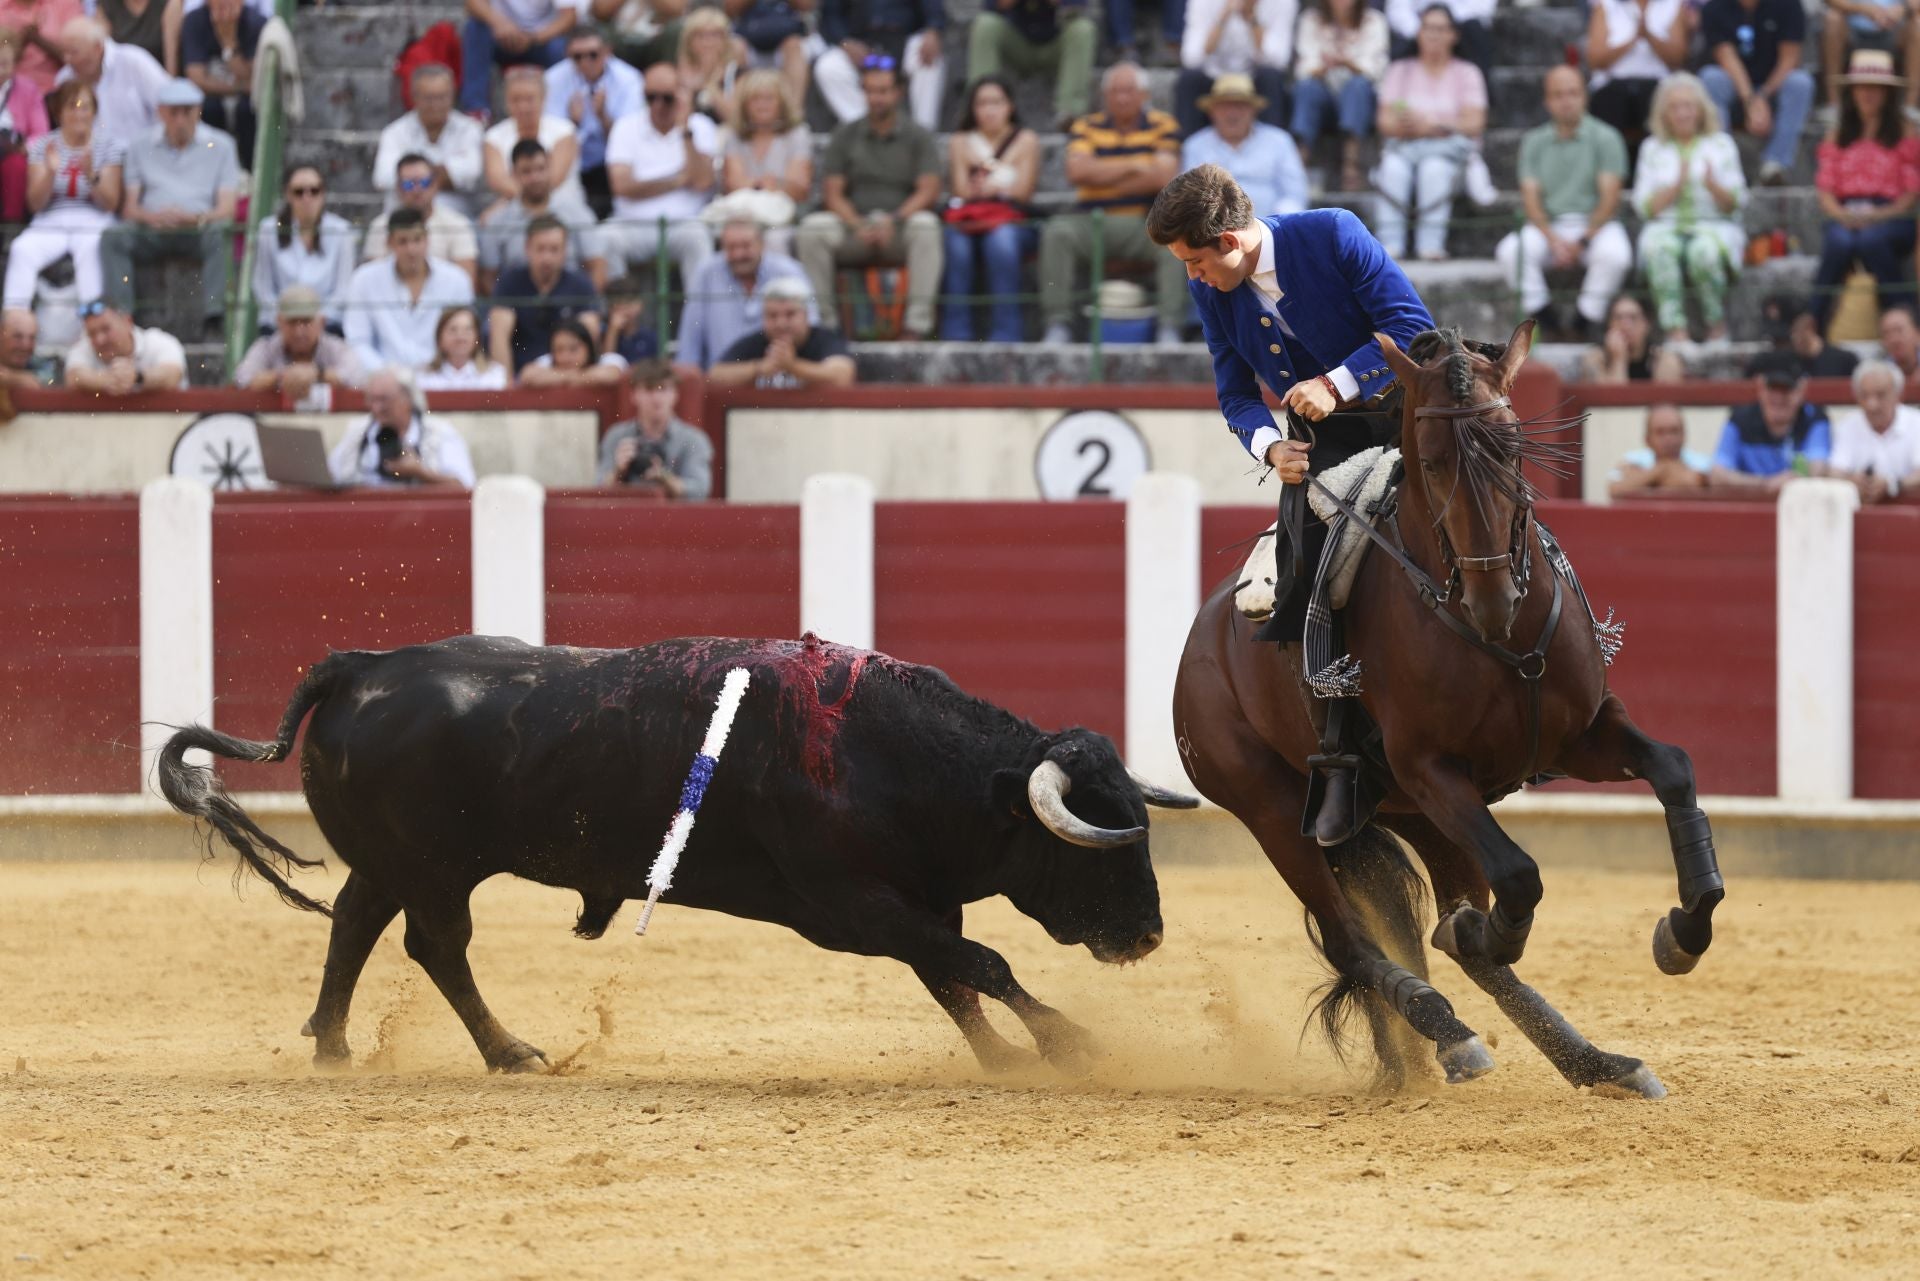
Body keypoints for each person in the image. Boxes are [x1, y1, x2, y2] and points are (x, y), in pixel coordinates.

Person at [1147, 163, 1432, 844]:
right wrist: (1272, 448)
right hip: (1319, 452)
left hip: (1412, 427)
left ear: (1230, 240)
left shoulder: (1333, 233)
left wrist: (1336, 383)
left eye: (1194, 261)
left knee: (1492, 511)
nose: (1192, 277)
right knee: (1302, 580)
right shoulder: (1216, 290)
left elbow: (1412, 328)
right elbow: (1236, 395)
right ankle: (1339, 760)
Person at [796, 57, 943, 340]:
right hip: (855, 228)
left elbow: (929, 190)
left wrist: (894, 219)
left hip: (900, 228)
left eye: (884, 91)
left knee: (926, 226)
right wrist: (857, 224)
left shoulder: (919, 136)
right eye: (870, 91)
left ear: (898, 93)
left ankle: (917, 326)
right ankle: (823, 326)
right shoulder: (845, 135)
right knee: (813, 230)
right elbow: (832, 193)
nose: (876, 98)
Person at [1037, 62, 1183, 344]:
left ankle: (1170, 328)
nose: (1122, 97)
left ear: (1144, 95)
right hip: (1093, 221)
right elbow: (1077, 172)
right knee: (1056, 233)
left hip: (1144, 222)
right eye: (1115, 91)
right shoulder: (1086, 125)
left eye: (1129, 91)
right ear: (1105, 96)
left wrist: (1103, 173)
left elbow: (1164, 176)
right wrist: (1139, 165)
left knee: (1175, 242)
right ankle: (1057, 325)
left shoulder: (1163, 124)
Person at [1494, 67, 1633, 342]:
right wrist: (1553, 240)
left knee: (1617, 256)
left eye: (1572, 93)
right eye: (1558, 95)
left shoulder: (1607, 137)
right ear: (1547, 101)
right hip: (1549, 225)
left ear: (1584, 97)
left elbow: (1610, 198)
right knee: (1510, 251)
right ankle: (1546, 320)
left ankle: (1583, 322)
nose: (1566, 100)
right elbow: (1531, 200)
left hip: (1596, 225)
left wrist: (1582, 240)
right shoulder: (1534, 142)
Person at [101, 78, 239, 339]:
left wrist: (195, 218)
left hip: (197, 229)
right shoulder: (139, 146)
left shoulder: (222, 145)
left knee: (220, 234)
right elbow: (129, 208)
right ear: (160, 112)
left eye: (187, 111)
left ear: (198, 111)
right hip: (154, 228)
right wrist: (151, 217)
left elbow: (227, 209)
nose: (180, 119)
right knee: (113, 237)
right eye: (173, 112)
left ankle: (215, 317)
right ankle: (122, 315)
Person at [1632, 72, 1747, 344]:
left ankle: (1716, 325)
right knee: (1660, 250)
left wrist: (1713, 185)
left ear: (1701, 110)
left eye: (1689, 106)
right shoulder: (1652, 148)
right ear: (1664, 113)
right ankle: (1675, 331)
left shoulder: (1721, 144)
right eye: (1675, 107)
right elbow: (1644, 207)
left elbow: (1737, 202)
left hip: (1713, 223)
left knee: (1702, 252)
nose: (1683, 113)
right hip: (1665, 225)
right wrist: (1676, 185)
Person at [1809, 50, 1919, 329]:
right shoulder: (1837, 133)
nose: (1867, 94)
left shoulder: (1905, 132)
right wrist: (1843, 215)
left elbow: (1909, 195)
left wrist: (1877, 216)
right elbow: (1825, 191)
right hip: (1845, 212)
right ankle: (1814, 322)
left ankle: (1905, 317)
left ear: (1886, 93)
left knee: (1871, 240)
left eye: (1875, 88)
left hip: (1890, 215)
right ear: (1852, 91)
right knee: (1840, 241)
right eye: (1862, 87)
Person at [1372, 4, 1487, 263]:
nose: (1433, 35)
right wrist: (1415, 128)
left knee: (1433, 169)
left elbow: (1476, 122)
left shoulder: (1468, 72)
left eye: (1440, 29)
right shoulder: (1399, 70)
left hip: (1448, 153)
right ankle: (1389, 247)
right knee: (1392, 168)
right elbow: (1384, 120)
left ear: (1454, 35)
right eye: (1427, 28)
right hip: (1404, 147)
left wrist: (1432, 125)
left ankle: (1430, 246)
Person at [3, 79, 120, 323]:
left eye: (85, 107)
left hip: (94, 217)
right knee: (22, 249)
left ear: (94, 111)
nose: (79, 114)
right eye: (72, 107)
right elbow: (35, 203)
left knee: (91, 248)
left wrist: (91, 176)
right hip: (52, 216)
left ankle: (94, 322)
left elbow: (110, 202)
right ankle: (14, 323)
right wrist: (49, 172)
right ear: (59, 112)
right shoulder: (44, 146)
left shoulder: (108, 145)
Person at [940, 75, 1038, 342]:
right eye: (982, 103)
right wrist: (1002, 177)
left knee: (1001, 243)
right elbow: (961, 191)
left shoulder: (1026, 139)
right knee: (956, 246)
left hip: (1011, 222)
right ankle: (955, 334)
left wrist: (988, 177)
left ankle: (1007, 334)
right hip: (970, 220)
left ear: (1010, 106)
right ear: (973, 109)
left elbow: (1024, 192)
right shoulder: (959, 141)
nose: (990, 109)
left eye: (997, 102)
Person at [604, 60, 721, 282]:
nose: (658, 105)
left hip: (685, 225)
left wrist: (685, 129)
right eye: (651, 97)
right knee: (604, 239)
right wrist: (677, 181)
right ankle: (619, 314)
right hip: (631, 225)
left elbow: (704, 180)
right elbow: (621, 186)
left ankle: (697, 317)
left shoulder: (701, 126)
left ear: (680, 95)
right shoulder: (625, 126)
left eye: (667, 98)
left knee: (697, 237)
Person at [343, 207, 477, 372]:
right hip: (382, 379)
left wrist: (439, 372)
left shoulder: (456, 280)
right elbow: (357, 341)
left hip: (442, 377)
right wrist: (388, 374)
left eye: (417, 240)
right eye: (403, 241)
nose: (411, 249)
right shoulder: (364, 280)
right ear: (389, 243)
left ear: (427, 240)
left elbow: (466, 338)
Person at [1699, 0, 1815, 185]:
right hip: (1737, 88)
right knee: (1710, 78)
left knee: (1800, 83)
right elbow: (1726, 57)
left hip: (1774, 88)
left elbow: (1790, 59)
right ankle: (1722, 160)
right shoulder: (1715, 7)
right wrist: (1750, 100)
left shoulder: (1789, 4)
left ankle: (1776, 164)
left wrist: (1763, 95)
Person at [678, 216, 811, 367]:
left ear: (761, 244)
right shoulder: (706, 273)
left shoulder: (789, 270)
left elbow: (810, 326)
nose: (738, 255)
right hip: (722, 381)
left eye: (746, 246)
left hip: (781, 377)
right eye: (731, 248)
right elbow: (691, 335)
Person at [478, 139, 606, 293]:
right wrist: (504, 310)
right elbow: (489, 277)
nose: (535, 178)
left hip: (570, 305)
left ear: (550, 168)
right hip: (518, 306)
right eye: (527, 171)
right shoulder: (498, 221)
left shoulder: (577, 213)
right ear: (513, 175)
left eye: (541, 169)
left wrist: (586, 308)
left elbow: (597, 266)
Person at [543, 26, 643, 218]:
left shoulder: (629, 80)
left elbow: (631, 139)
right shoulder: (553, 79)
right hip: (571, 161)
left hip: (611, 161)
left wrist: (603, 117)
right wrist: (572, 124)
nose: (585, 62)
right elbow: (550, 137)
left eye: (592, 54)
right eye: (577, 57)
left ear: (607, 52)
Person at [1289, 0, 1387, 192]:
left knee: (1357, 86)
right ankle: (1299, 163)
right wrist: (1325, 66)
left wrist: (1347, 63)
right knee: (1307, 88)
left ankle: (1351, 166)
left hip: (1360, 101)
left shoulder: (1374, 20)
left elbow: (1375, 70)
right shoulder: (1310, 19)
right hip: (1323, 98)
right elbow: (1303, 70)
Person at [711, 67, 811, 254]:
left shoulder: (797, 135)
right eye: (755, 99)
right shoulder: (735, 136)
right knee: (729, 236)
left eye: (768, 99)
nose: (762, 105)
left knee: (774, 239)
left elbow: (799, 188)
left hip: (782, 218)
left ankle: (777, 284)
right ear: (745, 105)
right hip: (741, 216)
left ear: (781, 103)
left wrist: (754, 184)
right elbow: (733, 184)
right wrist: (769, 183)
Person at [1585, 0, 1692, 172]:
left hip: (1657, 85)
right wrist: (1633, 39)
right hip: (1613, 85)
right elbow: (1595, 59)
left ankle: (1659, 173)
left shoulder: (1673, 5)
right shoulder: (1606, 5)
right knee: (1610, 100)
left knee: (1657, 100)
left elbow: (1678, 58)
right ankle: (1610, 173)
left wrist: (1648, 35)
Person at [1183, 73, 1309, 218]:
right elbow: (1189, 198)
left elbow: (1294, 194)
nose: (1232, 113)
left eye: (1240, 105)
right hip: (1213, 231)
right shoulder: (1195, 145)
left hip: (1270, 229)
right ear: (1212, 111)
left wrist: (1276, 228)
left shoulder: (1279, 141)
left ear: (1253, 110)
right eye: (1224, 106)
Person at [328, 366, 476, 490]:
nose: (376, 408)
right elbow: (328, 477)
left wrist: (421, 473)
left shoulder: (439, 432)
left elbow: (465, 487)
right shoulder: (357, 431)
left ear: (408, 399)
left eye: (384, 400)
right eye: (371, 400)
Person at [489, 213, 602, 371]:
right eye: (540, 249)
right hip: (522, 377)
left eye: (554, 249)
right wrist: (507, 388)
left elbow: (589, 339)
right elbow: (499, 337)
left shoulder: (580, 284)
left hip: (567, 375)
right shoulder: (510, 282)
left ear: (565, 251)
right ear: (527, 248)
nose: (547, 257)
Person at [814, 0, 946, 133]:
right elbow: (830, 15)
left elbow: (933, 7)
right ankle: (866, 134)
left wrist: (933, 31)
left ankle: (923, 136)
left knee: (929, 59)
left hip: (904, 38)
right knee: (828, 67)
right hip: (860, 44)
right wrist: (845, 43)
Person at [251, 165, 356, 333]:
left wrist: (314, 320)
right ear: (288, 194)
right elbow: (263, 287)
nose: (307, 198)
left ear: (323, 194)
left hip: (326, 325)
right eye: (299, 192)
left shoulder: (342, 230)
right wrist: (289, 319)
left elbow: (343, 290)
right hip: (279, 326)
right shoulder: (268, 229)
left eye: (314, 191)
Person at [1708, 352, 1832, 491]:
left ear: (1800, 390)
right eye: (1772, 388)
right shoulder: (1739, 419)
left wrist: (1793, 481)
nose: (1778, 397)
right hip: (1751, 508)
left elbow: (1819, 471)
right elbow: (1717, 476)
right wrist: (1765, 484)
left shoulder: (1814, 419)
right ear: (1761, 388)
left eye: (1786, 389)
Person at [373, 64, 485, 218]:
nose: (436, 105)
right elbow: (383, 178)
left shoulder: (470, 129)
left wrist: (411, 180)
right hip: (406, 221)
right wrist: (444, 177)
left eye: (442, 97)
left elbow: (472, 174)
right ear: (414, 97)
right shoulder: (394, 132)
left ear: (453, 95)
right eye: (429, 98)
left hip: (456, 224)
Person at [965, 0, 1098, 128]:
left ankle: (1070, 113)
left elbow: (1076, 8)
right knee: (985, 24)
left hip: (1055, 45)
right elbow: (992, 5)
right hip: (1017, 44)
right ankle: (981, 105)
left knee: (1083, 29)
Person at [709, 274, 857, 387]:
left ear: (806, 315)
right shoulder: (757, 340)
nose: (781, 323)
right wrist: (759, 368)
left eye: (790, 314)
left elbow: (843, 376)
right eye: (772, 316)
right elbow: (714, 376)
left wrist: (792, 366)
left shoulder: (824, 339)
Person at [597, 356, 713, 498]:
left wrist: (664, 477)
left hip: (676, 518)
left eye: (663, 389)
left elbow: (700, 491)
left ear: (675, 394)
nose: (656, 398)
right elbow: (598, 490)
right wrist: (618, 472)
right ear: (633, 395)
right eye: (648, 389)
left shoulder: (694, 439)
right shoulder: (616, 436)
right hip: (627, 516)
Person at [1174, 0, 1292, 137]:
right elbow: (1191, 58)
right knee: (1189, 79)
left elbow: (1278, 60)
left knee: (1271, 77)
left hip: (1255, 77)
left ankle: (1273, 150)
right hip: (1213, 77)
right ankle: (1187, 149)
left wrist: (1251, 18)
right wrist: (1223, 18)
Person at [362, 152, 480, 285]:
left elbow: (465, 285)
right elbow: (373, 283)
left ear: (435, 184)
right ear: (398, 188)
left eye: (424, 182)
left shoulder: (458, 224)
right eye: (409, 184)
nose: (417, 190)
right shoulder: (380, 226)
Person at [233, 284, 365, 398]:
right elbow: (241, 379)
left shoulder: (336, 347)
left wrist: (318, 374)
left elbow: (357, 379)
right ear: (279, 322)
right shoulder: (265, 347)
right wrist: (282, 376)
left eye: (306, 322)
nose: (299, 331)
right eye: (292, 322)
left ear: (322, 323)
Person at [54, 17, 166, 148]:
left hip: (142, 157)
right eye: (64, 52)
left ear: (97, 48)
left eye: (74, 52)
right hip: (92, 162)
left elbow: (168, 105)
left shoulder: (134, 62)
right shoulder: (65, 79)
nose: (67, 60)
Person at [482, 65, 582, 211]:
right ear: (506, 102)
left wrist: (530, 200)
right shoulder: (493, 137)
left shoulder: (564, 131)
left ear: (543, 98)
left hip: (562, 206)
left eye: (529, 99)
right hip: (513, 209)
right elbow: (498, 180)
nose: (523, 107)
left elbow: (554, 179)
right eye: (515, 100)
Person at [458, 0, 577, 118]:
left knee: (560, 48)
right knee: (475, 29)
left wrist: (532, 38)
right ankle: (477, 110)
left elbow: (569, 17)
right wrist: (500, 23)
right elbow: (473, 3)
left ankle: (558, 113)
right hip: (500, 34)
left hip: (541, 39)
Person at [1826, 357, 1920, 500]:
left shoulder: (1916, 423)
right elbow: (1834, 472)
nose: (1871, 405)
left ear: (1898, 395)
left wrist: (1893, 484)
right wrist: (1852, 480)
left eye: (1880, 395)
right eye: (1864, 395)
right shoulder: (1847, 426)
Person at [179, 0, 262, 158]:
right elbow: (196, 78)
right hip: (213, 99)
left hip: (245, 103)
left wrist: (228, 42)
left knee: (247, 110)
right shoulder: (194, 20)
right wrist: (240, 87)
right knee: (209, 108)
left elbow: (252, 76)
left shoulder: (255, 21)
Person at [62, 296, 184, 391]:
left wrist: (137, 378)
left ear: (128, 322)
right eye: (92, 333)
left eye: (106, 329)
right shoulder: (83, 347)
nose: (100, 339)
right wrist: (109, 380)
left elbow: (172, 374)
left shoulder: (159, 342)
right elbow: (74, 377)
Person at [1822, 0, 1920, 117]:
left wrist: (1902, 8)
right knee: (1833, 18)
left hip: (1897, 27)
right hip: (1851, 25)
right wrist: (1862, 9)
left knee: (1917, 24)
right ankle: (1834, 105)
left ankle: (1909, 106)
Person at [0, 26, 52, 225]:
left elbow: (41, 131)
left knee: (16, 166)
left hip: (13, 151)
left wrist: (25, 147)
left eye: (4, 64)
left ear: (14, 63)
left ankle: (11, 226)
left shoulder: (27, 89)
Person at [1607, 401, 1710, 497]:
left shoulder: (1702, 462)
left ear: (1684, 435)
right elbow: (1614, 489)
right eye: (1660, 432)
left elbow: (1696, 486)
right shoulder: (1632, 459)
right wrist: (1661, 470)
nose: (1668, 438)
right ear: (1647, 439)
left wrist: (1644, 479)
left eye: (1674, 431)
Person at [1578, 293, 1685, 382]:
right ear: (1609, 325)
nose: (1625, 326)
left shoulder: (1663, 359)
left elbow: (1665, 403)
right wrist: (1618, 360)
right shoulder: (1595, 359)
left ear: (1646, 324)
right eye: (1618, 318)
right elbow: (1611, 403)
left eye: (1633, 318)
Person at [1755, 294, 1859, 379]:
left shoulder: (1844, 361)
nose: (1791, 340)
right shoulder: (1778, 363)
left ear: (1808, 325)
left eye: (1793, 333)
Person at [416, 304, 511, 390]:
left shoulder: (493, 375)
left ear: (477, 338)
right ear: (439, 339)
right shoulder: (424, 377)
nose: (460, 337)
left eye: (467, 330)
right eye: (453, 330)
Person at [0, 0, 83, 96]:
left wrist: (38, 40)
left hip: (59, 95)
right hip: (9, 94)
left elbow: (77, 58)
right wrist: (22, 41)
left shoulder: (66, 3)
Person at [680, 4, 746, 122]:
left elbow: (736, 120)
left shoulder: (737, 74)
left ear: (725, 40)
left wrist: (709, 82)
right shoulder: (678, 76)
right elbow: (679, 119)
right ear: (689, 41)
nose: (708, 42)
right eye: (700, 36)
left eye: (715, 35)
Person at [1384, 0, 1491, 73]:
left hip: (1462, 29)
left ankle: (1478, 98)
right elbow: (1397, 10)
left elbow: (1481, 8)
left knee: (1474, 31)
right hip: (1416, 29)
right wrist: (1425, 30)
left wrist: (1445, 27)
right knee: (1400, 52)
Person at [519, 315, 626, 385]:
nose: (566, 357)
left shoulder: (608, 359)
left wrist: (560, 377)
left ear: (588, 346)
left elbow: (611, 375)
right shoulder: (548, 360)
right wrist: (572, 376)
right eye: (559, 350)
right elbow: (526, 375)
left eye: (573, 349)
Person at [592, 0, 687, 69]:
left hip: (656, 39)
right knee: (600, 32)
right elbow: (600, 11)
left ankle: (665, 84)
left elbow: (676, 9)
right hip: (621, 39)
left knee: (676, 30)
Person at [602, 275, 660, 363]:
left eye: (630, 301)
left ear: (640, 304)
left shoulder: (649, 337)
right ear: (610, 308)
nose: (625, 308)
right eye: (618, 302)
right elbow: (606, 363)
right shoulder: (603, 333)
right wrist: (613, 331)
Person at [0, 306, 54, 388]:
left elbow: (50, 381)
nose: (26, 345)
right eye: (17, 336)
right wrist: (16, 379)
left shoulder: (40, 365)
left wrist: (11, 378)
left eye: (32, 338)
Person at [1879, 302, 1920, 392]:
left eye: (1899, 330)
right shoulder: (1878, 373)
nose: (1894, 339)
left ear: (1917, 334)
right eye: (1886, 333)